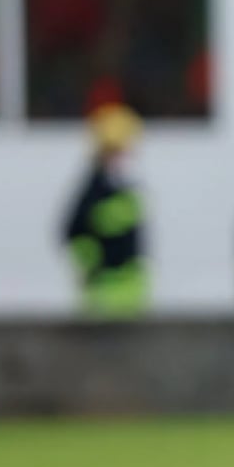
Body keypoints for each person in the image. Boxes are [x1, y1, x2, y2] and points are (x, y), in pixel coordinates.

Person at [61, 104, 148, 317]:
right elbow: (73, 232)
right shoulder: (92, 193)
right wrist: (92, 267)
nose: (127, 155)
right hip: (105, 293)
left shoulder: (124, 189)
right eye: (121, 149)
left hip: (130, 291)